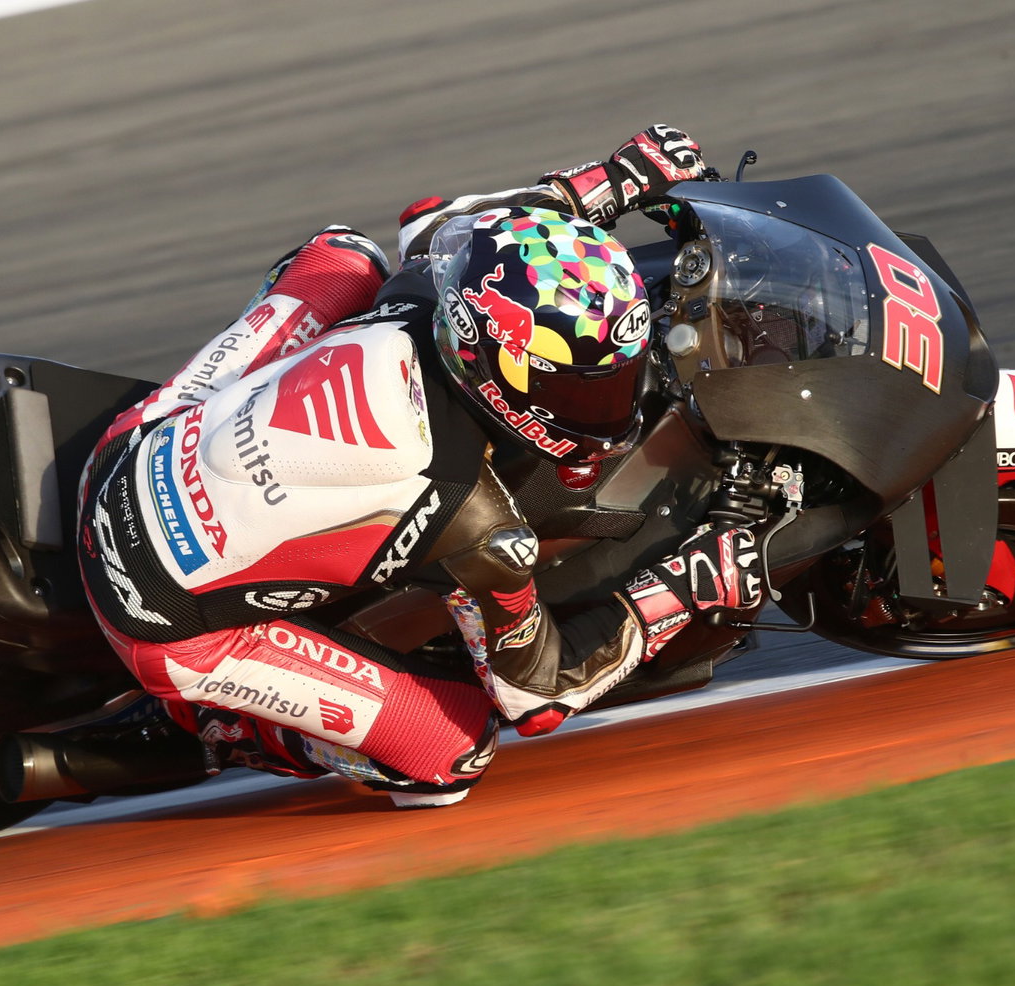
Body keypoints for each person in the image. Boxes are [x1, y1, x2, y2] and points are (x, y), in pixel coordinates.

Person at [69, 125, 762, 807]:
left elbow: (465, 226)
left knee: (342, 256)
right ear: (503, 376)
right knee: (454, 752)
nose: (611, 402)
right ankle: (217, 729)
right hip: (165, 623)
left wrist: (614, 178)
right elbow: (538, 692)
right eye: (584, 386)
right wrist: (684, 588)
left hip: (125, 452)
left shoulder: (431, 280)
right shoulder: (476, 517)